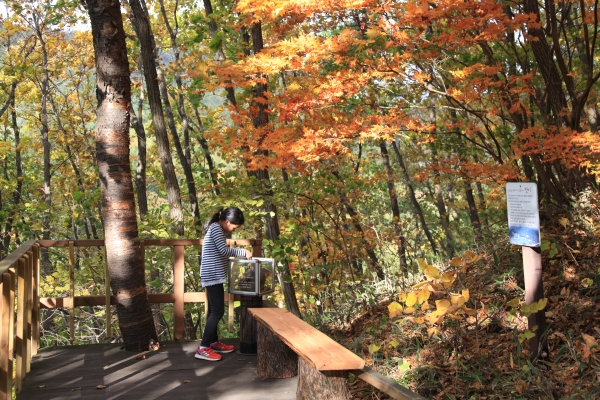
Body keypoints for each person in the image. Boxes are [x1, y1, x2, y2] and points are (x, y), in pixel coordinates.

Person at [195, 207, 252, 361]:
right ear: (227, 221)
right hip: (212, 275)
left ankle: (213, 342)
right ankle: (203, 348)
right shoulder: (216, 229)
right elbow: (223, 251)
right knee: (218, 311)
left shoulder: (216, 228)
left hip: (213, 275)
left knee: (213, 310)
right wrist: (243, 252)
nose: (234, 229)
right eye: (235, 226)